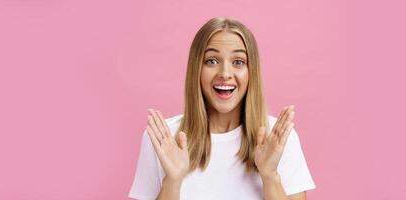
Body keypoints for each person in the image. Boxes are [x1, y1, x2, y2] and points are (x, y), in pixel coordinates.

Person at [129, 17, 315, 200]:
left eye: (238, 62)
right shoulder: (164, 138)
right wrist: (172, 181)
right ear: (197, 69)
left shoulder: (279, 140)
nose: (225, 74)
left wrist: (270, 176)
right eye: (211, 61)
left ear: (252, 72)